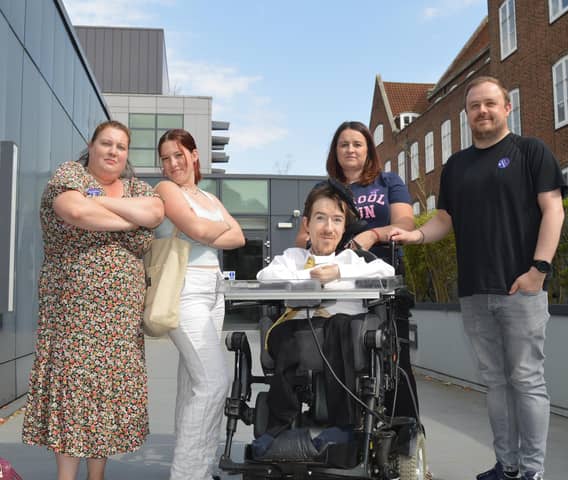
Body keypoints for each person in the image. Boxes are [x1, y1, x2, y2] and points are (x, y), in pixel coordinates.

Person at [390, 76, 565, 480]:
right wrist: (414, 234)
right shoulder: (456, 166)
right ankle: (507, 466)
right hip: (473, 292)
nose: (482, 111)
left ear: (507, 107)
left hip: (521, 288)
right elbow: (444, 220)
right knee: (496, 383)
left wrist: (538, 269)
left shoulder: (530, 152)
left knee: (526, 379)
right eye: (474, 106)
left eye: (490, 103)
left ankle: (532, 472)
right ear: (467, 114)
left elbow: (553, 210)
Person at [22, 120, 164, 480]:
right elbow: (76, 211)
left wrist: (108, 209)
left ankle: (96, 477)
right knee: (73, 394)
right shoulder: (71, 174)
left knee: (103, 399)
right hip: (73, 315)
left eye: (121, 146)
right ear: (92, 145)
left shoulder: (135, 187)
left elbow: (156, 213)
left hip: (119, 322)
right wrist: (129, 218)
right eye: (107, 143)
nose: (113, 151)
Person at [295, 121, 419, 420]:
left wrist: (373, 235)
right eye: (343, 144)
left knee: (395, 358)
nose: (350, 149)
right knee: (340, 349)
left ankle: (406, 431)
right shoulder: (323, 189)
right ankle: (345, 422)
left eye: (357, 144)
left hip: (380, 277)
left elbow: (405, 225)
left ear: (368, 150)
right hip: (338, 281)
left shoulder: (388, 182)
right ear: (335, 152)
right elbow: (303, 237)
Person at [258, 181, 395, 431]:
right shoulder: (292, 258)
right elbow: (265, 277)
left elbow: (387, 271)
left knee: (341, 325)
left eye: (337, 220)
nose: (328, 228)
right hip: (298, 333)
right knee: (285, 334)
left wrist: (339, 272)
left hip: (344, 335)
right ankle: (279, 430)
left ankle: (342, 428)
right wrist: (310, 278)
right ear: (307, 224)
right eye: (320, 218)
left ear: (344, 228)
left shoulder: (351, 259)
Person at [155, 128, 245, 480]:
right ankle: (186, 474)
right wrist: (212, 229)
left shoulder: (208, 197)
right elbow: (201, 230)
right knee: (213, 382)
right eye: (165, 158)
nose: (173, 163)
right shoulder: (165, 190)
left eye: (179, 154)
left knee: (194, 384)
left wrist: (210, 230)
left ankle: (200, 468)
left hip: (213, 290)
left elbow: (239, 237)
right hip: (184, 287)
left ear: (194, 155)